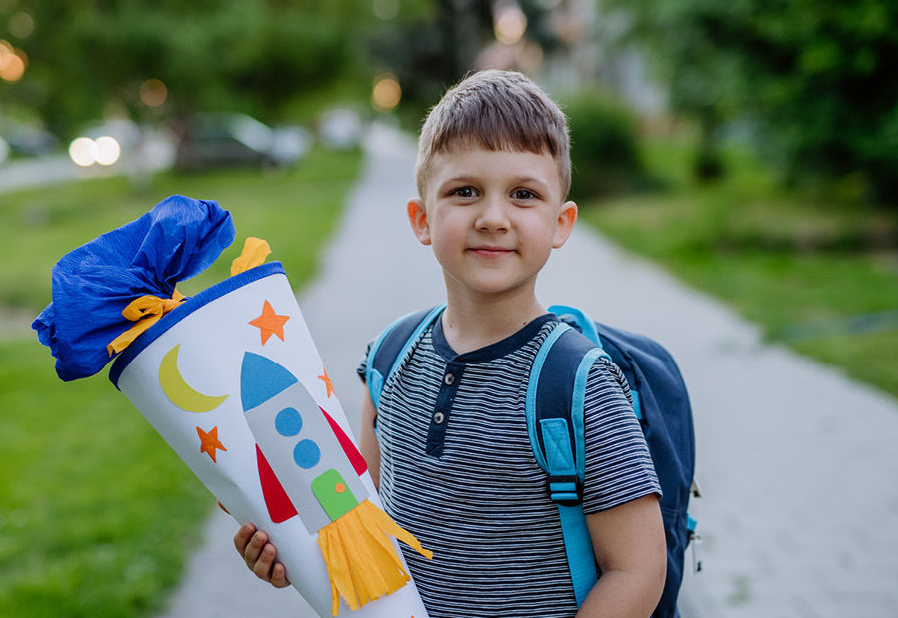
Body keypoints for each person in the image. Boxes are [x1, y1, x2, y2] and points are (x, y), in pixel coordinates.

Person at [231, 69, 666, 618]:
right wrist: (290, 555)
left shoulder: (577, 381)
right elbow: (355, 521)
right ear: (422, 219)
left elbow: (640, 569)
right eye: (464, 192)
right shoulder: (390, 356)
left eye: (524, 195)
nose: (492, 218)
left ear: (561, 223)